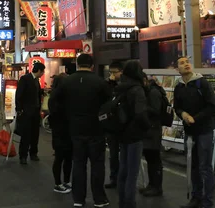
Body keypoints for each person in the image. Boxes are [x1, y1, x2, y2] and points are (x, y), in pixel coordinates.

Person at [52, 54, 111, 208]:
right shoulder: (100, 82)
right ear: (92, 65)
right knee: (97, 164)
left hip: (75, 129)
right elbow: (109, 104)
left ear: (77, 64)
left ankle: (78, 199)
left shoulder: (67, 82)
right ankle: (99, 199)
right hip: (96, 130)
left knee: (78, 164)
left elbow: (54, 101)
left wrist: (65, 118)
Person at [173, 57, 215, 208]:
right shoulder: (178, 87)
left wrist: (195, 118)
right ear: (177, 69)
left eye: (187, 62)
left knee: (205, 167)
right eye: (181, 63)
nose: (186, 64)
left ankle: (208, 202)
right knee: (193, 165)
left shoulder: (202, 83)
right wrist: (183, 114)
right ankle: (196, 198)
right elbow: (177, 107)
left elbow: (212, 106)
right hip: (189, 132)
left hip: (204, 130)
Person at [115, 60, 150, 208]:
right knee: (132, 172)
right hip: (135, 134)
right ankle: (130, 203)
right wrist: (147, 126)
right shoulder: (137, 89)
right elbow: (140, 113)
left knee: (123, 170)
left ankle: (122, 201)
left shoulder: (120, 87)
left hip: (122, 133)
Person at [140, 76, 166, 197]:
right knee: (150, 159)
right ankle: (152, 184)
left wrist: (142, 106)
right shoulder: (149, 91)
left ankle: (157, 187)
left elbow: (156, 110)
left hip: (154, 129)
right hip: (150, 129)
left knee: (154, 159)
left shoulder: (154, 92)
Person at [15, 62, 44, 165]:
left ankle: (33, 153)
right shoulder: (25, 79)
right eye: (42, 71)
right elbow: (19, 94)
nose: (42, 74)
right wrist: (19, 109)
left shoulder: (37, 81)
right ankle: (23, 155)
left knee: (35, 133)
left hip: (35, 111)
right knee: (26, 134)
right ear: (39, 71)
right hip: (26, 111)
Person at [48, 73, 72, 194]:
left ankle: (67, 181)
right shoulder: (56, 97)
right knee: (60, 157)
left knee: (67, 157)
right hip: (60, 131)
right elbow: (57, 114)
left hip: (65, 130)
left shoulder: (61, 96)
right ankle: (58, 183)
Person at [105, 61, 123, 189]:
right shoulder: (108, 84)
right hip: (112, 124)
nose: (112, 75)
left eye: (114, 72)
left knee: (126, 153)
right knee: (113, 153)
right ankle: (114, 178)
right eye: (110, 72)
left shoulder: (126, 84)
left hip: (125, 125)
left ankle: (124, 177)